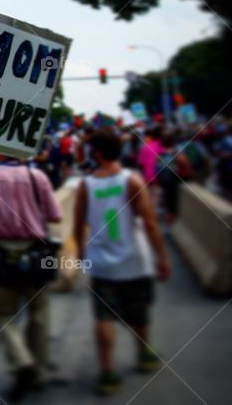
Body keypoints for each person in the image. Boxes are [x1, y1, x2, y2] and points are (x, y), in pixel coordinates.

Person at [73, 129, 171, 396]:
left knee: (104, 316)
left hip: (102, 264)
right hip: (134, 261)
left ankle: (107, 373)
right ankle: (144, 354)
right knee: (138, 311)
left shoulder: (86, 185)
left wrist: (82, 255)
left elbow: (77, 225)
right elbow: (150, 224)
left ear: (98, 153)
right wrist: (162, 257)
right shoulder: (132, 180)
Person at [0, 157, 62, 402]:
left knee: (3, 312)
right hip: (36, 253)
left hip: (3, 254)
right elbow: (55, 216)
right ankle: (37, 373)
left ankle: (21, 360)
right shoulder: (37, 177)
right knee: (39, 314)